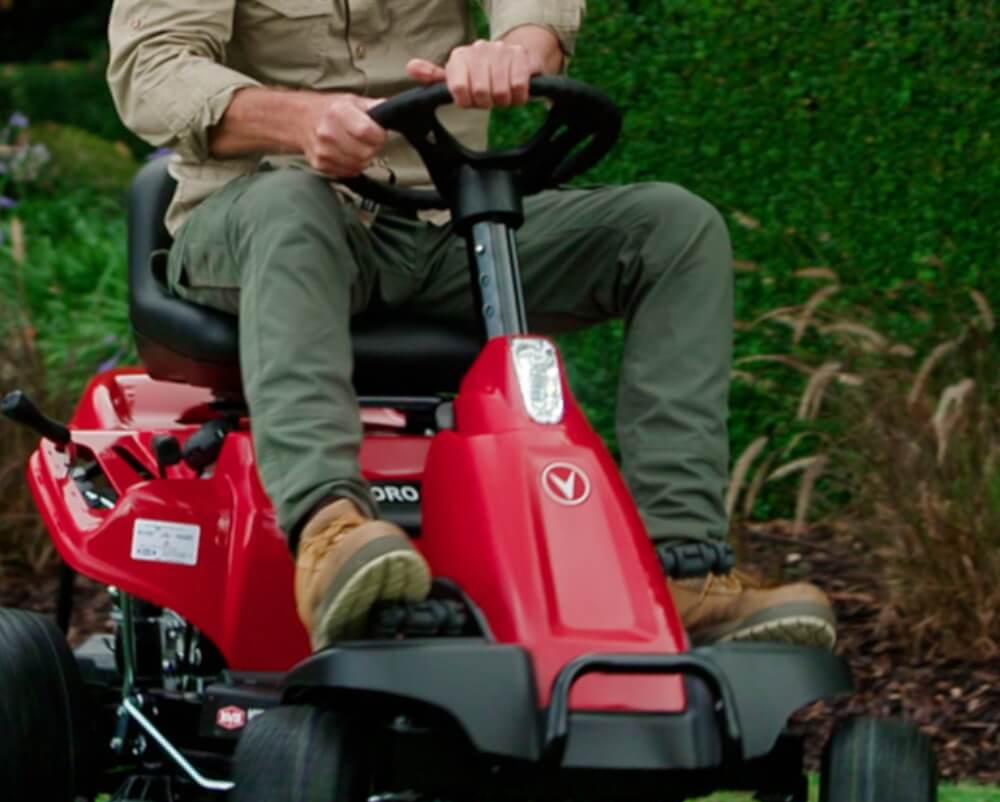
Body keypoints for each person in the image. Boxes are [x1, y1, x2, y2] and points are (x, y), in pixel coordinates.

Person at [107, 0, 835, 651]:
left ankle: (684, 568)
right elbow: (151, 69)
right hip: (262, 218)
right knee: (292, 206)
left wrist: (516, 44)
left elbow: (535, 10)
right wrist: (300, 119)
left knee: (674, 227)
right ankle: (330, 534)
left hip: (440, 221)